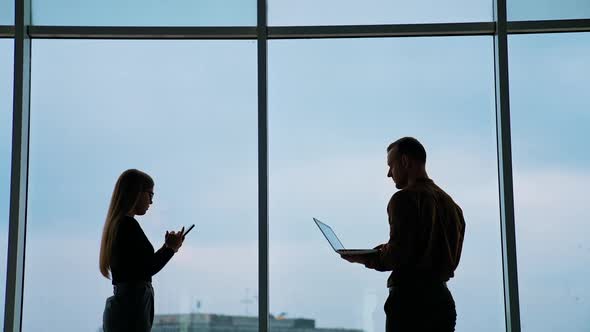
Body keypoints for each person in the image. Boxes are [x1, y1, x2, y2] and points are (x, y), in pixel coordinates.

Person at [341, 137, 465, 332]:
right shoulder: (452, 206)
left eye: (391, 165)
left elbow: (398, 255)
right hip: (442, 301)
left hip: (410, 303)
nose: (389, 173)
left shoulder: (404, 199)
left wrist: (364, 257)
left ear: (405, 162)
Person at [99, 169, 185, 332]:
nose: (151, 202)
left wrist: (168, 248)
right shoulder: (127, 225)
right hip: (133, 308)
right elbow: (145, 269)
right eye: (150, 195)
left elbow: (139, 267)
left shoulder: (118, 225)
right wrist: (170, 249)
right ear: (136, 193)